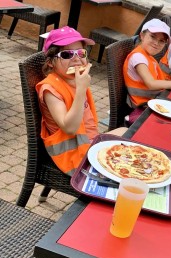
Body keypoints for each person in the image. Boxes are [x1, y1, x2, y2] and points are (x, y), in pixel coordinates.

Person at [37, 27, 126, 176]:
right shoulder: (50, 89)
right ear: (51, 62)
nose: (77, 58)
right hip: (75, 155)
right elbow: (70, 128)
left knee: (129, 133)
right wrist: (81, 90)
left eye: (81, 53)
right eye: (67, 54)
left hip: (89, 142)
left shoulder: (75, 81)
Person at [123, 20, 171, 125]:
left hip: (153, 102)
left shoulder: (148, 57)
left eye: (161, 41)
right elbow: (151, 84)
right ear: (142, 35)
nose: (156, 43)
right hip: (142, 108)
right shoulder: (138, 57)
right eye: (152, 37)